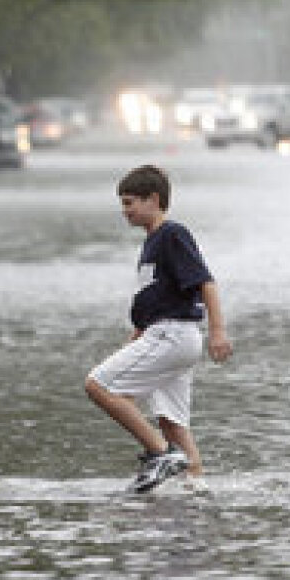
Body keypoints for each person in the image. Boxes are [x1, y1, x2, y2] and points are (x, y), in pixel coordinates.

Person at [84, 165, 233, 493]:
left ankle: (160, 453)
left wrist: (218, 331)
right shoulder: (152, 242)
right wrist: (137, 337)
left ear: (154, 199)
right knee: (172, 422)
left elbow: (205, 282)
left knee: (99, 385)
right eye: (122, 203)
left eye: (130, 202)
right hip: (166, 336)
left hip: (173, 335)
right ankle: (194, 489)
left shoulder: (172, 234)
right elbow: (157, 297)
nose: (124, 211)